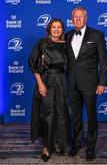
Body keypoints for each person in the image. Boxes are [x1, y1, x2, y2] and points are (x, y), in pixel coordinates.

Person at [66, 7, 107, 161]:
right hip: (72, 83)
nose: (77, 19)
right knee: (75, 117)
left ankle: (91, 148)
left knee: (91, 117)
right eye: (75, 17)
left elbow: (104, 62)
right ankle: (76, 144)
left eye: (80, 17)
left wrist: (103, 82)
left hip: (90, 84)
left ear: (86, 18)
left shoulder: (97, 35)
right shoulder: (68, 35)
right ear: (72, 19)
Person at [29, 18, 69, 162]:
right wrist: (40, 83)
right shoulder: (42, 43)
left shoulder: (66, 45)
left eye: (59, 27)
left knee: (60, 114)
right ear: (49, 29)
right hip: (45, 80)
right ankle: (46, 147)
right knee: (47, 114)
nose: (56, 30)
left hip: (61, 82)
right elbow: (33, 64)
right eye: (54, 27)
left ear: (63, 30)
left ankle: (58, 143)